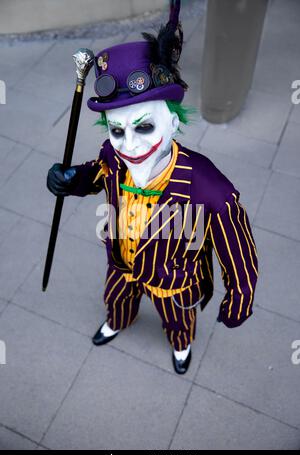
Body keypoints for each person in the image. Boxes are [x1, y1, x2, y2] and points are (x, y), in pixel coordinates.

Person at [46, 0, 258, 374]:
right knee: (116, 299)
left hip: (173, 276)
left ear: (173, 123)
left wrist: (238, 298)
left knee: (178, 319)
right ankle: (118, 321)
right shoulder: (114, 156)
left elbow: (237, 249)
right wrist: (71, 180)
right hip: (123, 261)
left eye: (144, 127)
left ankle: (181, 345)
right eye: (117, 130)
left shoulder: (209, 187)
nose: (130, 145)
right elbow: (98, 172)